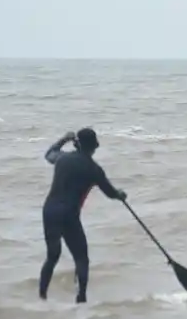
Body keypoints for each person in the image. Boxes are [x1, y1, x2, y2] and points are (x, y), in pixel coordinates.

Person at [38, 127, 126, 303]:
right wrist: (120, 194)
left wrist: (64, 138)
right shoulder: (94, 170)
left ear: (77, 144)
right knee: (81, 258)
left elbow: (49, 154)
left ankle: (42, 297)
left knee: (52, 256)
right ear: (94, 147)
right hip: (69, 215)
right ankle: (81, 298)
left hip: (49, 212)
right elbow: (110, 193)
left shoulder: (62, 159)